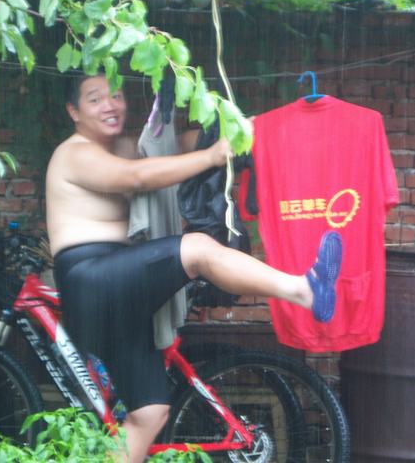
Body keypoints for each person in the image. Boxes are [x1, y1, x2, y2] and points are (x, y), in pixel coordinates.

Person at [45, 73, 341, 462]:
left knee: (149, 414)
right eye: (95, 99)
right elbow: (137, 177)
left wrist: (239, 133)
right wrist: (211, 156)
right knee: (199, 249)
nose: (110, 105)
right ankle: (305, 288)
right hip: (92, 278)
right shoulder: (75, 152)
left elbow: (176, 148)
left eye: (116, 95)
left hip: (118, 292)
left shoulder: (122, 146)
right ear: (74, 111)